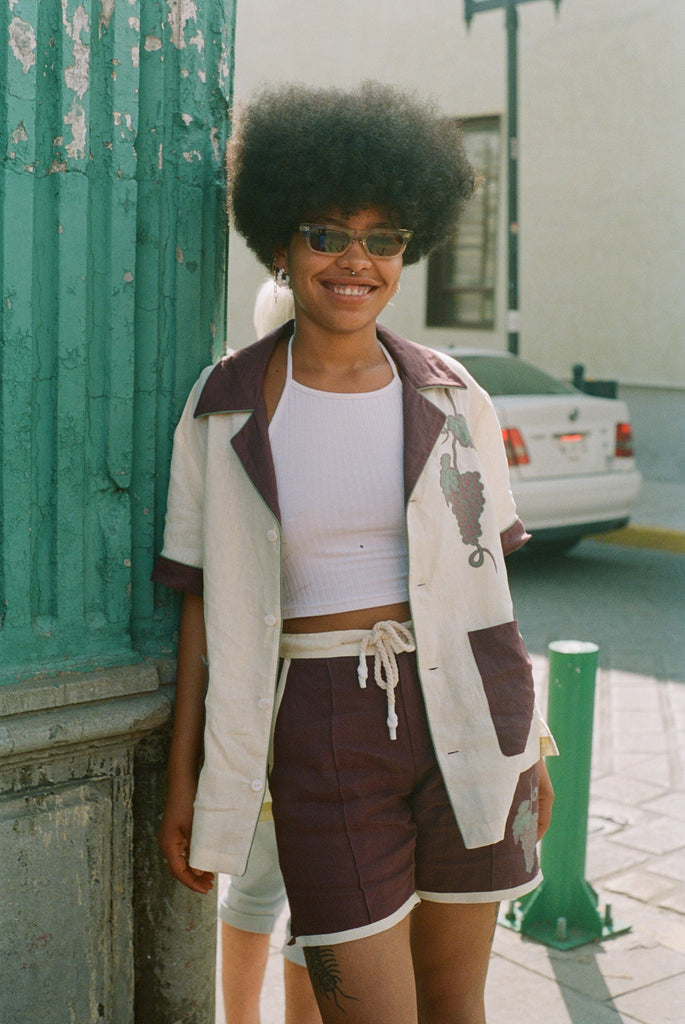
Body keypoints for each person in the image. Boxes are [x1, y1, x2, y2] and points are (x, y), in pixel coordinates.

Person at [155, 81, 556, 1024]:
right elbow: (200, 609)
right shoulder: (224, 407)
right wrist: (186, 782)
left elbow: (489, 584)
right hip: (324, 728)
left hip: (469, 706)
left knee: (457, 1008)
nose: (355, 261)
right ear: (281, 245)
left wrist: (528, 737)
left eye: (382, 239)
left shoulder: (453, 396)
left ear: (406, 252)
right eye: (327, 233)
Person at [219, 280, 321, 1024]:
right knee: (327, 894)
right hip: (307, 697)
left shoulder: (232, 404)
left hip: (257, 693)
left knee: (259, 888)